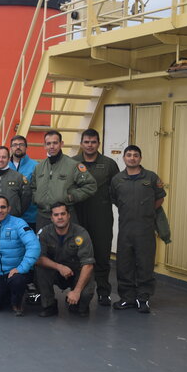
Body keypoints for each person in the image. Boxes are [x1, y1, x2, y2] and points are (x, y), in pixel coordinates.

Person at [110, 145, 166, 314]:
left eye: (135, 155)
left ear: (140, 158)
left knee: (145, 264)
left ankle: (143, 299)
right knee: (124, 265)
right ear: (124, 158)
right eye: (129, 155)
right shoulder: (117, 180)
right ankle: (127, 298)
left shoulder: (151, 177)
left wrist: (146, 212)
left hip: (145, 230)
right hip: (126, 230)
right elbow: (115, 199)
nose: (132, 158)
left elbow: (160, 198)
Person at [72, 129, 120, 306]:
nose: (90, 145)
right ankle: (77, 290)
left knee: (101, 255)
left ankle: (103, 292)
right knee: (77, 255)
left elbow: (117, 189)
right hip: (78, 216)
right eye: (86, 142)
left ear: (98, 143)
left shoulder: (109, 164)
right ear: (81, 144)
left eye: (93, 142)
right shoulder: (73, 162)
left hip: (102, 217)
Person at [0, 196, 40, 316]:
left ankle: (17, 302)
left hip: (16, 274)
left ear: (9, 208)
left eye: (3, 207)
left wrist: (21, 268)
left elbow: (34, 247)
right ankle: (8, 295)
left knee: (17, 281)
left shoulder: (19, 224)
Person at [35, 202, 95, 317]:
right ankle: (49, 305)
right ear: (51, 218)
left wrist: (77, 291)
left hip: (76, 272)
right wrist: (59, 267)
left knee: (84, 298)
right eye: (56, 215)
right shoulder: (44, 233)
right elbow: (39, 259)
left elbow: (88, 265)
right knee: (40, 269)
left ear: (68, 215)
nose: (60, 217)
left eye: (63, 214)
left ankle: (77, 302)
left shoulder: (81, 233)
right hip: (55, 271)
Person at [31, 130, 97, 230]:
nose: (52, 146)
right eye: (48, 143)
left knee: (67, 245)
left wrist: (71, 196)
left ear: (61, 144)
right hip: (43, 217)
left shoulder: (73, 165)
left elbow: (90, 185)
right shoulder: (39, 167)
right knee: (43, 245)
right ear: (44, 146)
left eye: (55, 143)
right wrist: (37, 198)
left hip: (65, 217)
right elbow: (33, 187)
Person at [9, 135, 38, 228]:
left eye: (21, 144)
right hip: (9, 217)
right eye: (15, 145)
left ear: (26, 147)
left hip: (30, 217)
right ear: (11, 148)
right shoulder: (5, 166)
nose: (18, 147)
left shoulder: (36, 166)